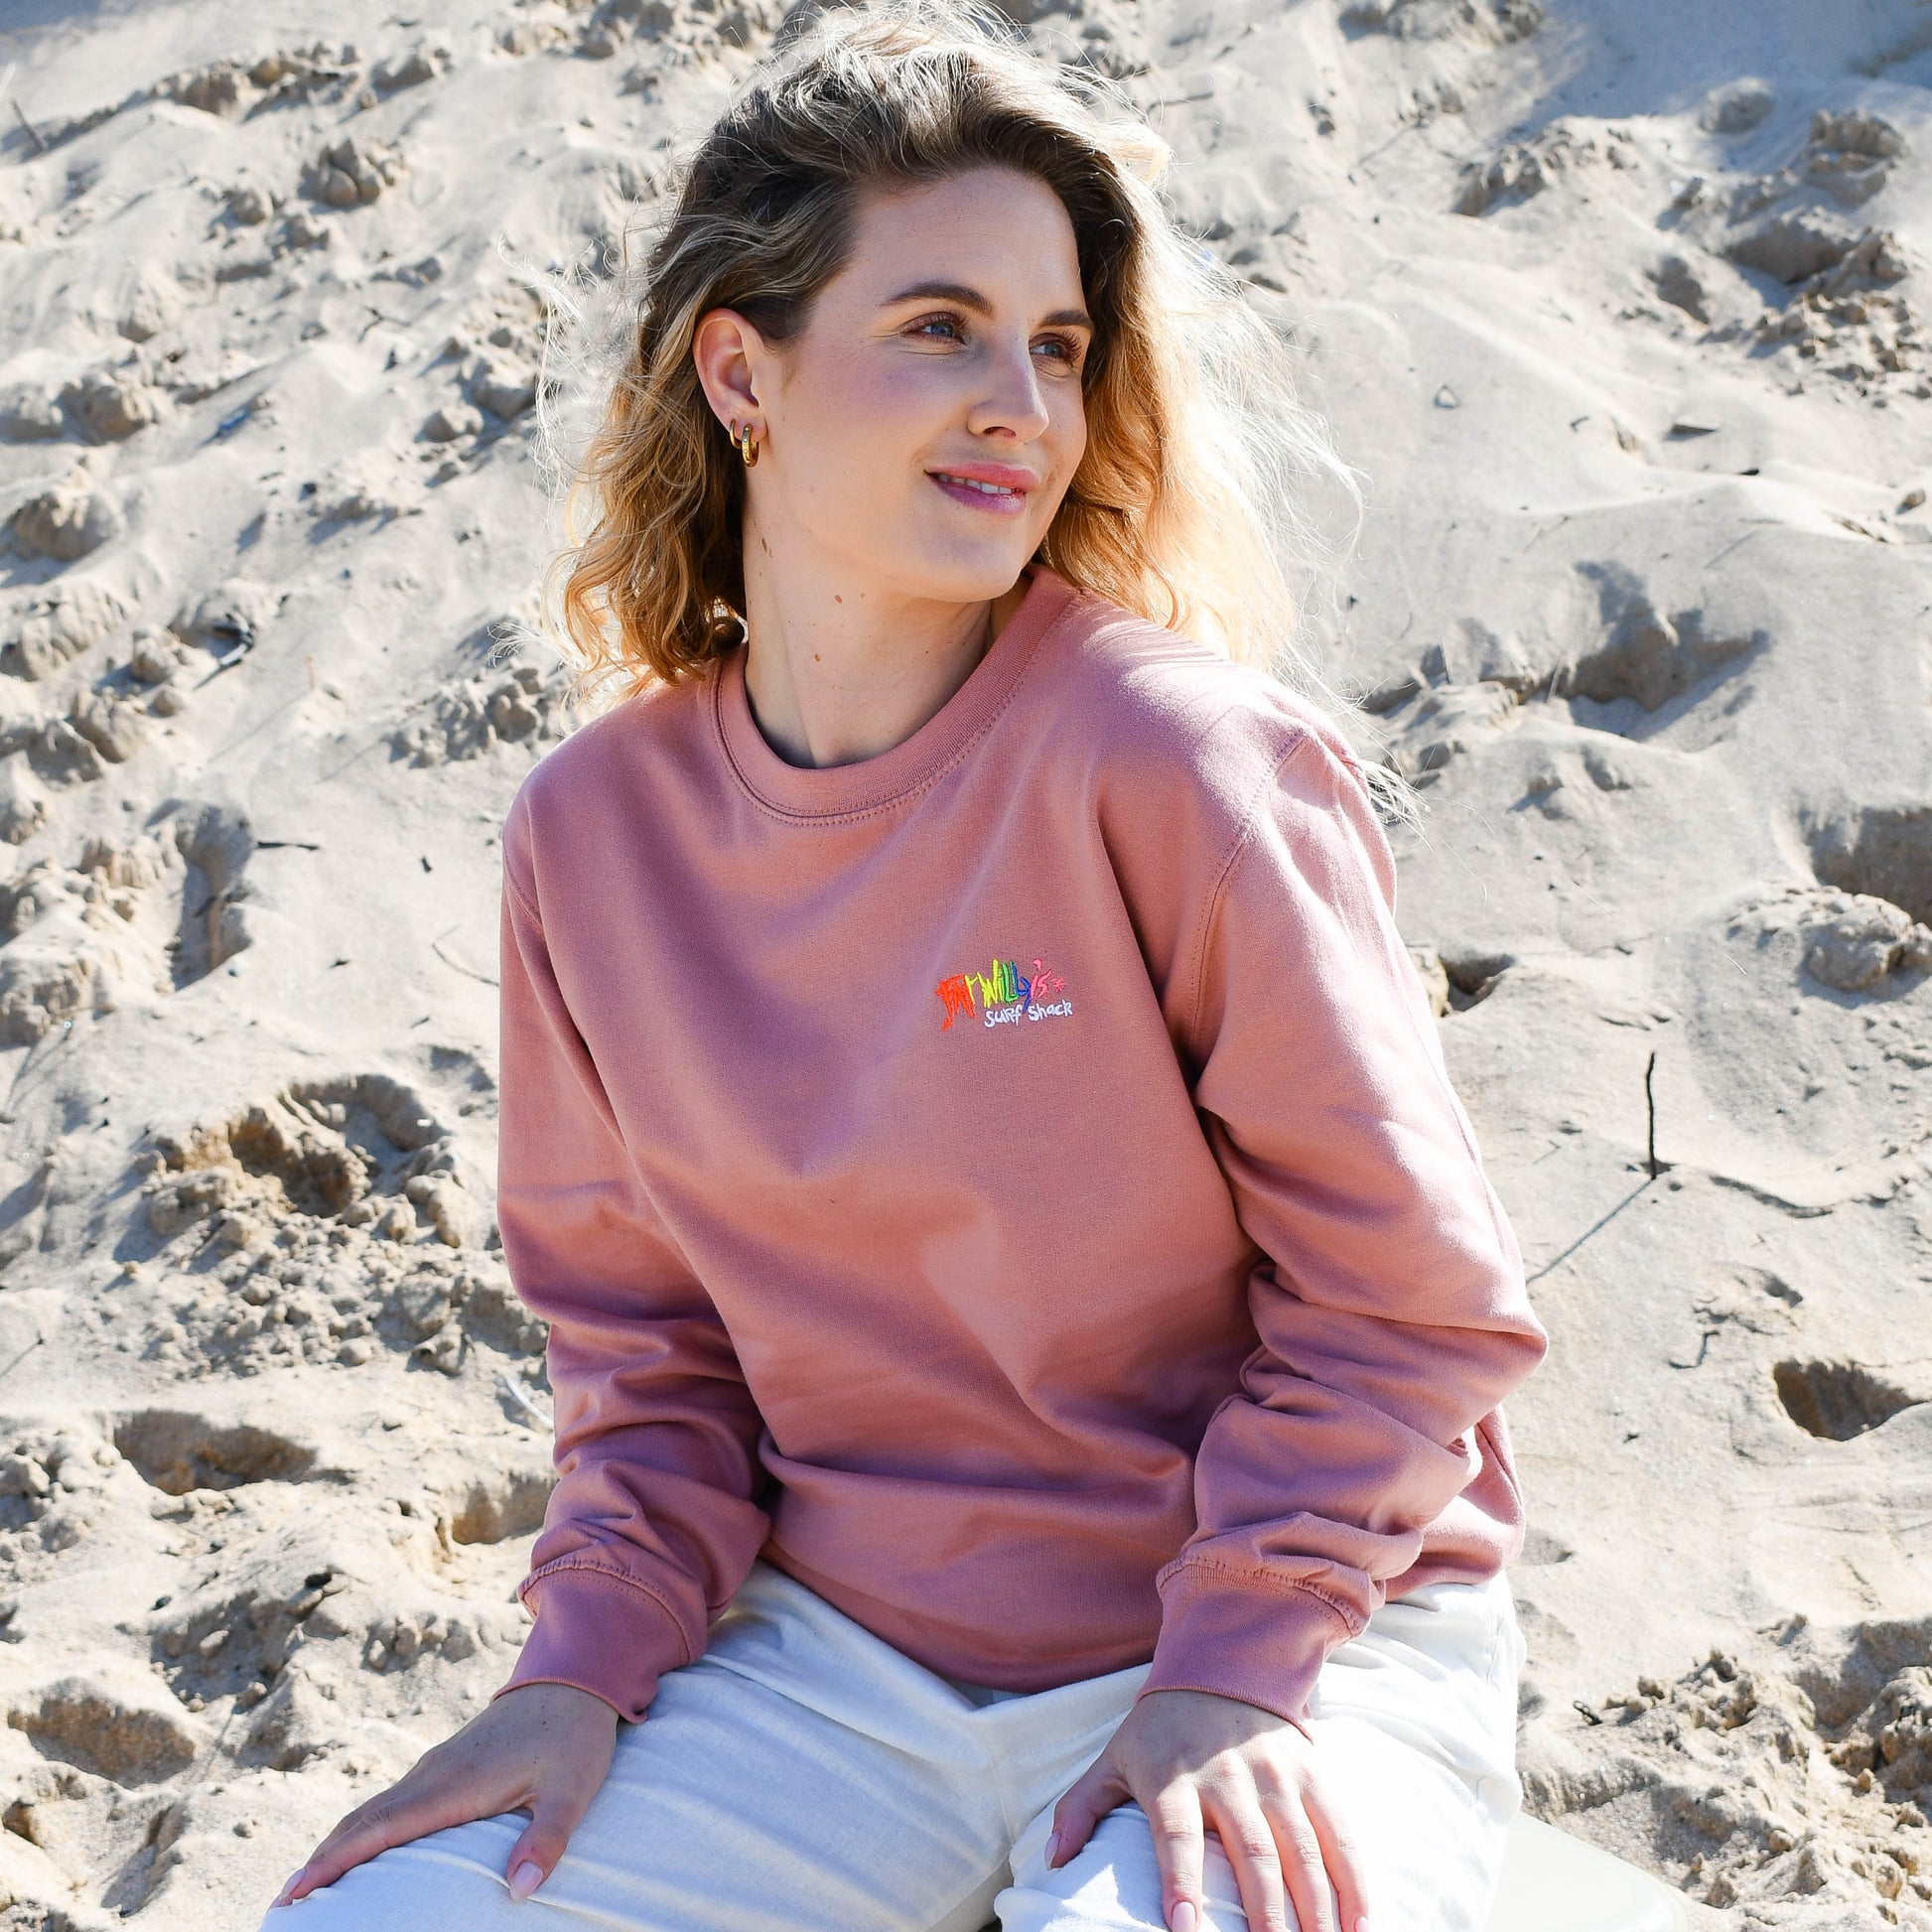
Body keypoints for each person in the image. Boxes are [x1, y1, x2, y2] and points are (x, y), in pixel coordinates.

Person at [262, 5, 1547, 1928]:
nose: (1020, 405)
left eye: (1053, 345)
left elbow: (1407, 1311)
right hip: (843, 1668)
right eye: (938, 327)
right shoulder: (591, 838)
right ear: (740, 371)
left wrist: (1228, 1666)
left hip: (1288, 1634)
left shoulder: (1176, 764)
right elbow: (650, 1358)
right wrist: (573, 1672)